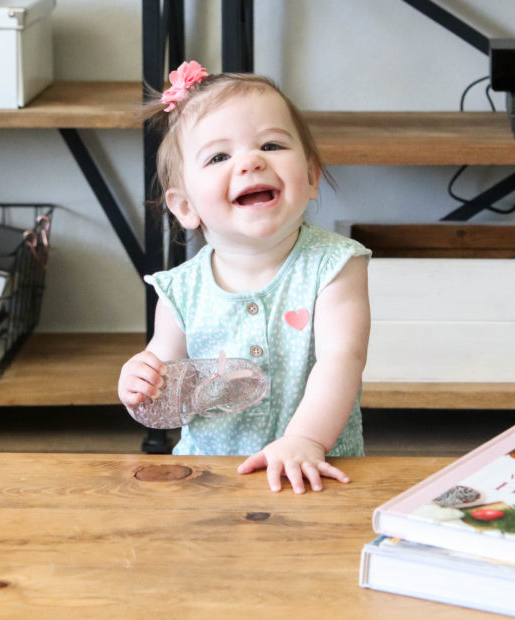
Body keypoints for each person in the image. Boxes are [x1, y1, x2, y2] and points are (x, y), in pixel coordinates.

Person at [118, 61, 371, 494]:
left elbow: (342, 359)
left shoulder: (335, 265)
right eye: (219, 156)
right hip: (209, 474)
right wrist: (140, 385)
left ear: (311, 177)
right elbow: (168, 388)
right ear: (185, 207)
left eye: (271, 145)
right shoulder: (180, 290)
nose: (251, 162)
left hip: (314, 467)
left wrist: (305, 441)